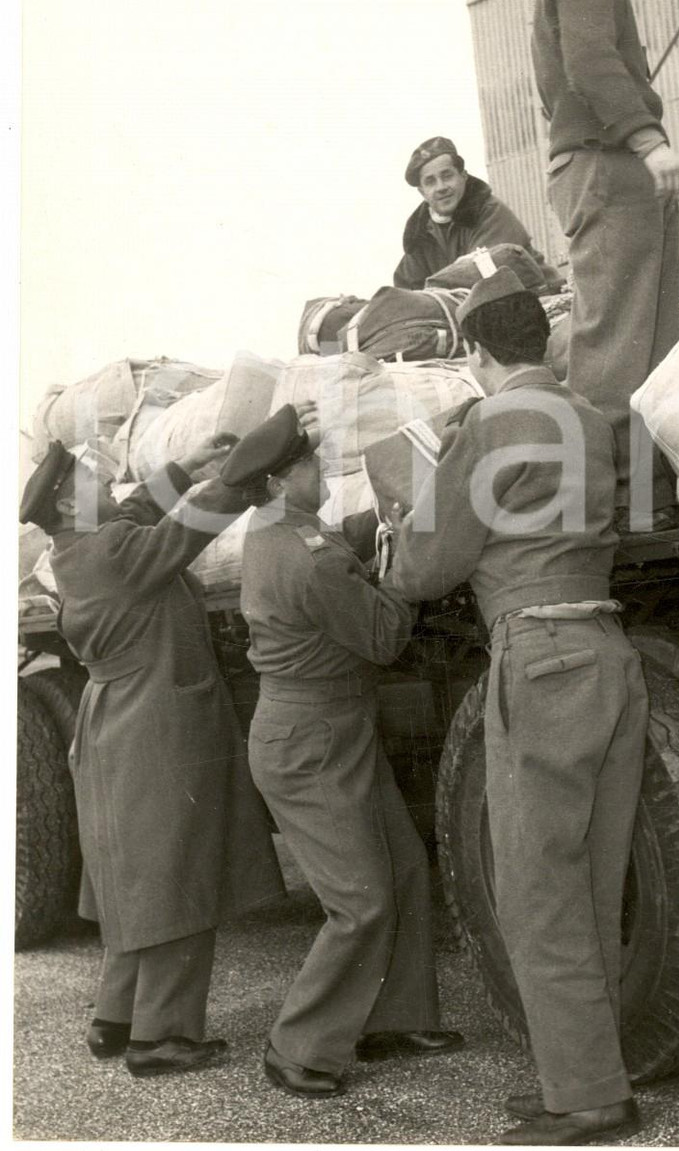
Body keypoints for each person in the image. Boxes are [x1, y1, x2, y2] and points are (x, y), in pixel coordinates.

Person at [388, 269, 648, 1146]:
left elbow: (425, 568)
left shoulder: (487, 424)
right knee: (595, 877)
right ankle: (590, 1073)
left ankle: (585, 1097)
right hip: (611, 648)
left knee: (540, 889)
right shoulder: (588, 415)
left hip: (537, 654)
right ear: (542, 341)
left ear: (476, 351)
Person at [19, 431, 285, 1078]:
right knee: (177, 876)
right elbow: (187, 529)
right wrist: (257, 459)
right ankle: (162, 1036)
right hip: (156, 725)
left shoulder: (79, 546)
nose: (103, 482)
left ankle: (116, 1016)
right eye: (87, 481)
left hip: (124, 723)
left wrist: (183, 466)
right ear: (68, 505)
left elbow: (137, 512)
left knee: (136, 879)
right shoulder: (112, 552)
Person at [219, 405, 463, 1099]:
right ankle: (297, 1046)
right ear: (276, 479)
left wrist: (372, 541)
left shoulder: (284, 529)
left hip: (330, 731)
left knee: (405, 866)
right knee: (360, 900)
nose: (319, 468)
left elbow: (340, 550)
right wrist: (408, 561)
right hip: (311, 743)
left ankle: (396, 1016)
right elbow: (385, 635)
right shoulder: (304, 555)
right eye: (306, 462)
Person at [531, 0, 679, 526]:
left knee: (644, 338)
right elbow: (591, 61)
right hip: (607, 163)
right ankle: (605, 501)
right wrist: (650, 141)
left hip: (611, 165)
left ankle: (637, 494)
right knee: (618, 338)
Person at [394, 135, 562, 293]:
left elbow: (483, 276)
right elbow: (406, 292)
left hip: (540, 300)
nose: (441, 187)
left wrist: (430, 291)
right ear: (422, 192)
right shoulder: (417, 236)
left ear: (463, 176)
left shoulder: (489, 212)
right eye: (430, 181)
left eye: (447, 176)